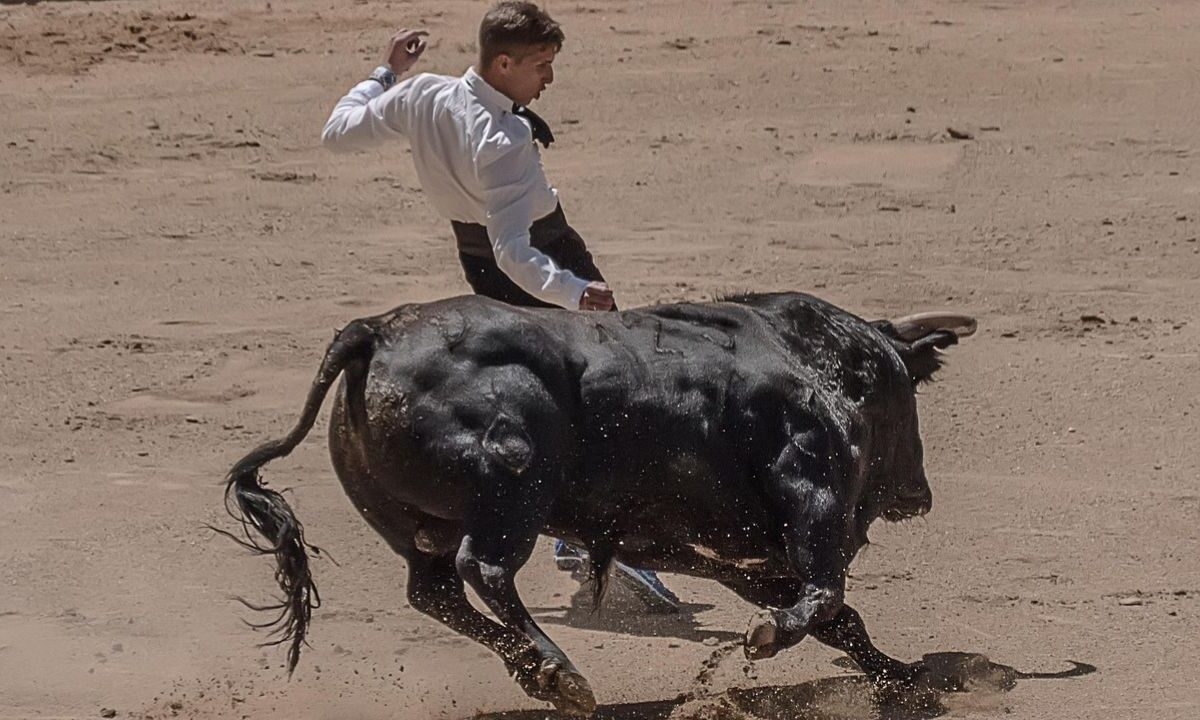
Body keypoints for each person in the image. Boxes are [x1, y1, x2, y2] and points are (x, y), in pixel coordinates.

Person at [319, 1, 679, 612]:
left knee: (541, 394)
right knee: (611, 393)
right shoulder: (504, 137)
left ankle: (583, 538)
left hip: (475, 263)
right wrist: (574, 292)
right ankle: (599, 545)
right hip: (543, 259)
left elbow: (339, 130)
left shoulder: (421, 94)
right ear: (504, 62)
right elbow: (515, 250)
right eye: (541, 65)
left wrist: (386, 71)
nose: (549, 78)